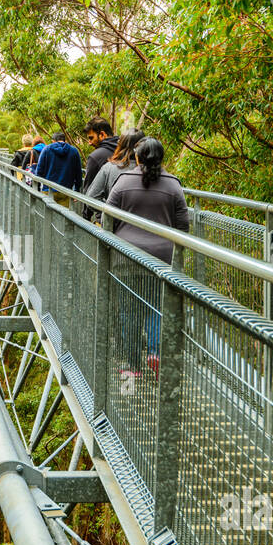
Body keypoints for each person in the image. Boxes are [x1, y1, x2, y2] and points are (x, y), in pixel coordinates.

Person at [106, 137, 190, 378]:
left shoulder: (123, 182)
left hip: (126, 257)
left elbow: (107, 218)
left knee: (129, 312)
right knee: (156, 306)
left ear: (137, 157)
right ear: (162, 158)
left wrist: (113, 240)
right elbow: (183, 225)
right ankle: (154, 353)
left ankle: (132, 366)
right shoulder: (173, 185)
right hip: (160, 260)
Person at [83, 128, 143, 222]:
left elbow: (91, 199)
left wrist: (111, 209)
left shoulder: (109, 168)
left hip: (112, 227)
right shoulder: (151, 170)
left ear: (120, 145)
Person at [33, 131, 83, 207]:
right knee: (63, 216)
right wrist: (76, 190)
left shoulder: (46, 150)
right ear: (64, 141)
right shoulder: (74, 151)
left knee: (47, 217)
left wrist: (38, 188)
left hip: (48, 190)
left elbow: (39, 171)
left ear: (53, 141)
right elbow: (78, 173)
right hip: (66, 192)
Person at [81, 116, 119, 212]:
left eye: (91, 138)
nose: (89, 143)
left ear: (102, 134)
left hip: (103, 215)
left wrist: (85, 216)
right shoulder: (125, 151)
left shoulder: (95, 157)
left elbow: (88, 191)